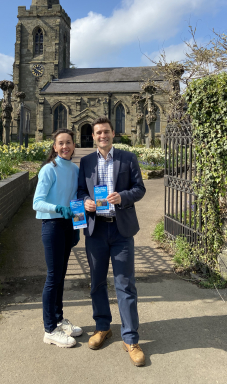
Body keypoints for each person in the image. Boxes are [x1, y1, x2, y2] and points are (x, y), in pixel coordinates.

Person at [77, 117, 146, 366]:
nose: (102, 135)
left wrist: (123, 197)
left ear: (112, 134)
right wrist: (85, 201)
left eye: (106, 131)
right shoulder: (85, 162)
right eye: (98, 133)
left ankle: (130, 338)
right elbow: (79, 191)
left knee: (125, 285)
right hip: (96, 231)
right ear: (93, 136)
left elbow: (140, 188)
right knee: (96, 283)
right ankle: (102, 327)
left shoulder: (127, 158)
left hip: (121, 230)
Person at [33, 128, 83, 348]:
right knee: (53, 277)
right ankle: (49, 329)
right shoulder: (48, 169)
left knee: (61, 276)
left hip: (68, 225)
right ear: (54, 147)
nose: (65, 147)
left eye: (69, 143)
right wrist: (58, 209)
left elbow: (75, 199)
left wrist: (77, 224)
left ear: (74, 145)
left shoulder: (74, 169)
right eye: (61, 143)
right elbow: (37, 202)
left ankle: (59, 319)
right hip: (52, 225)